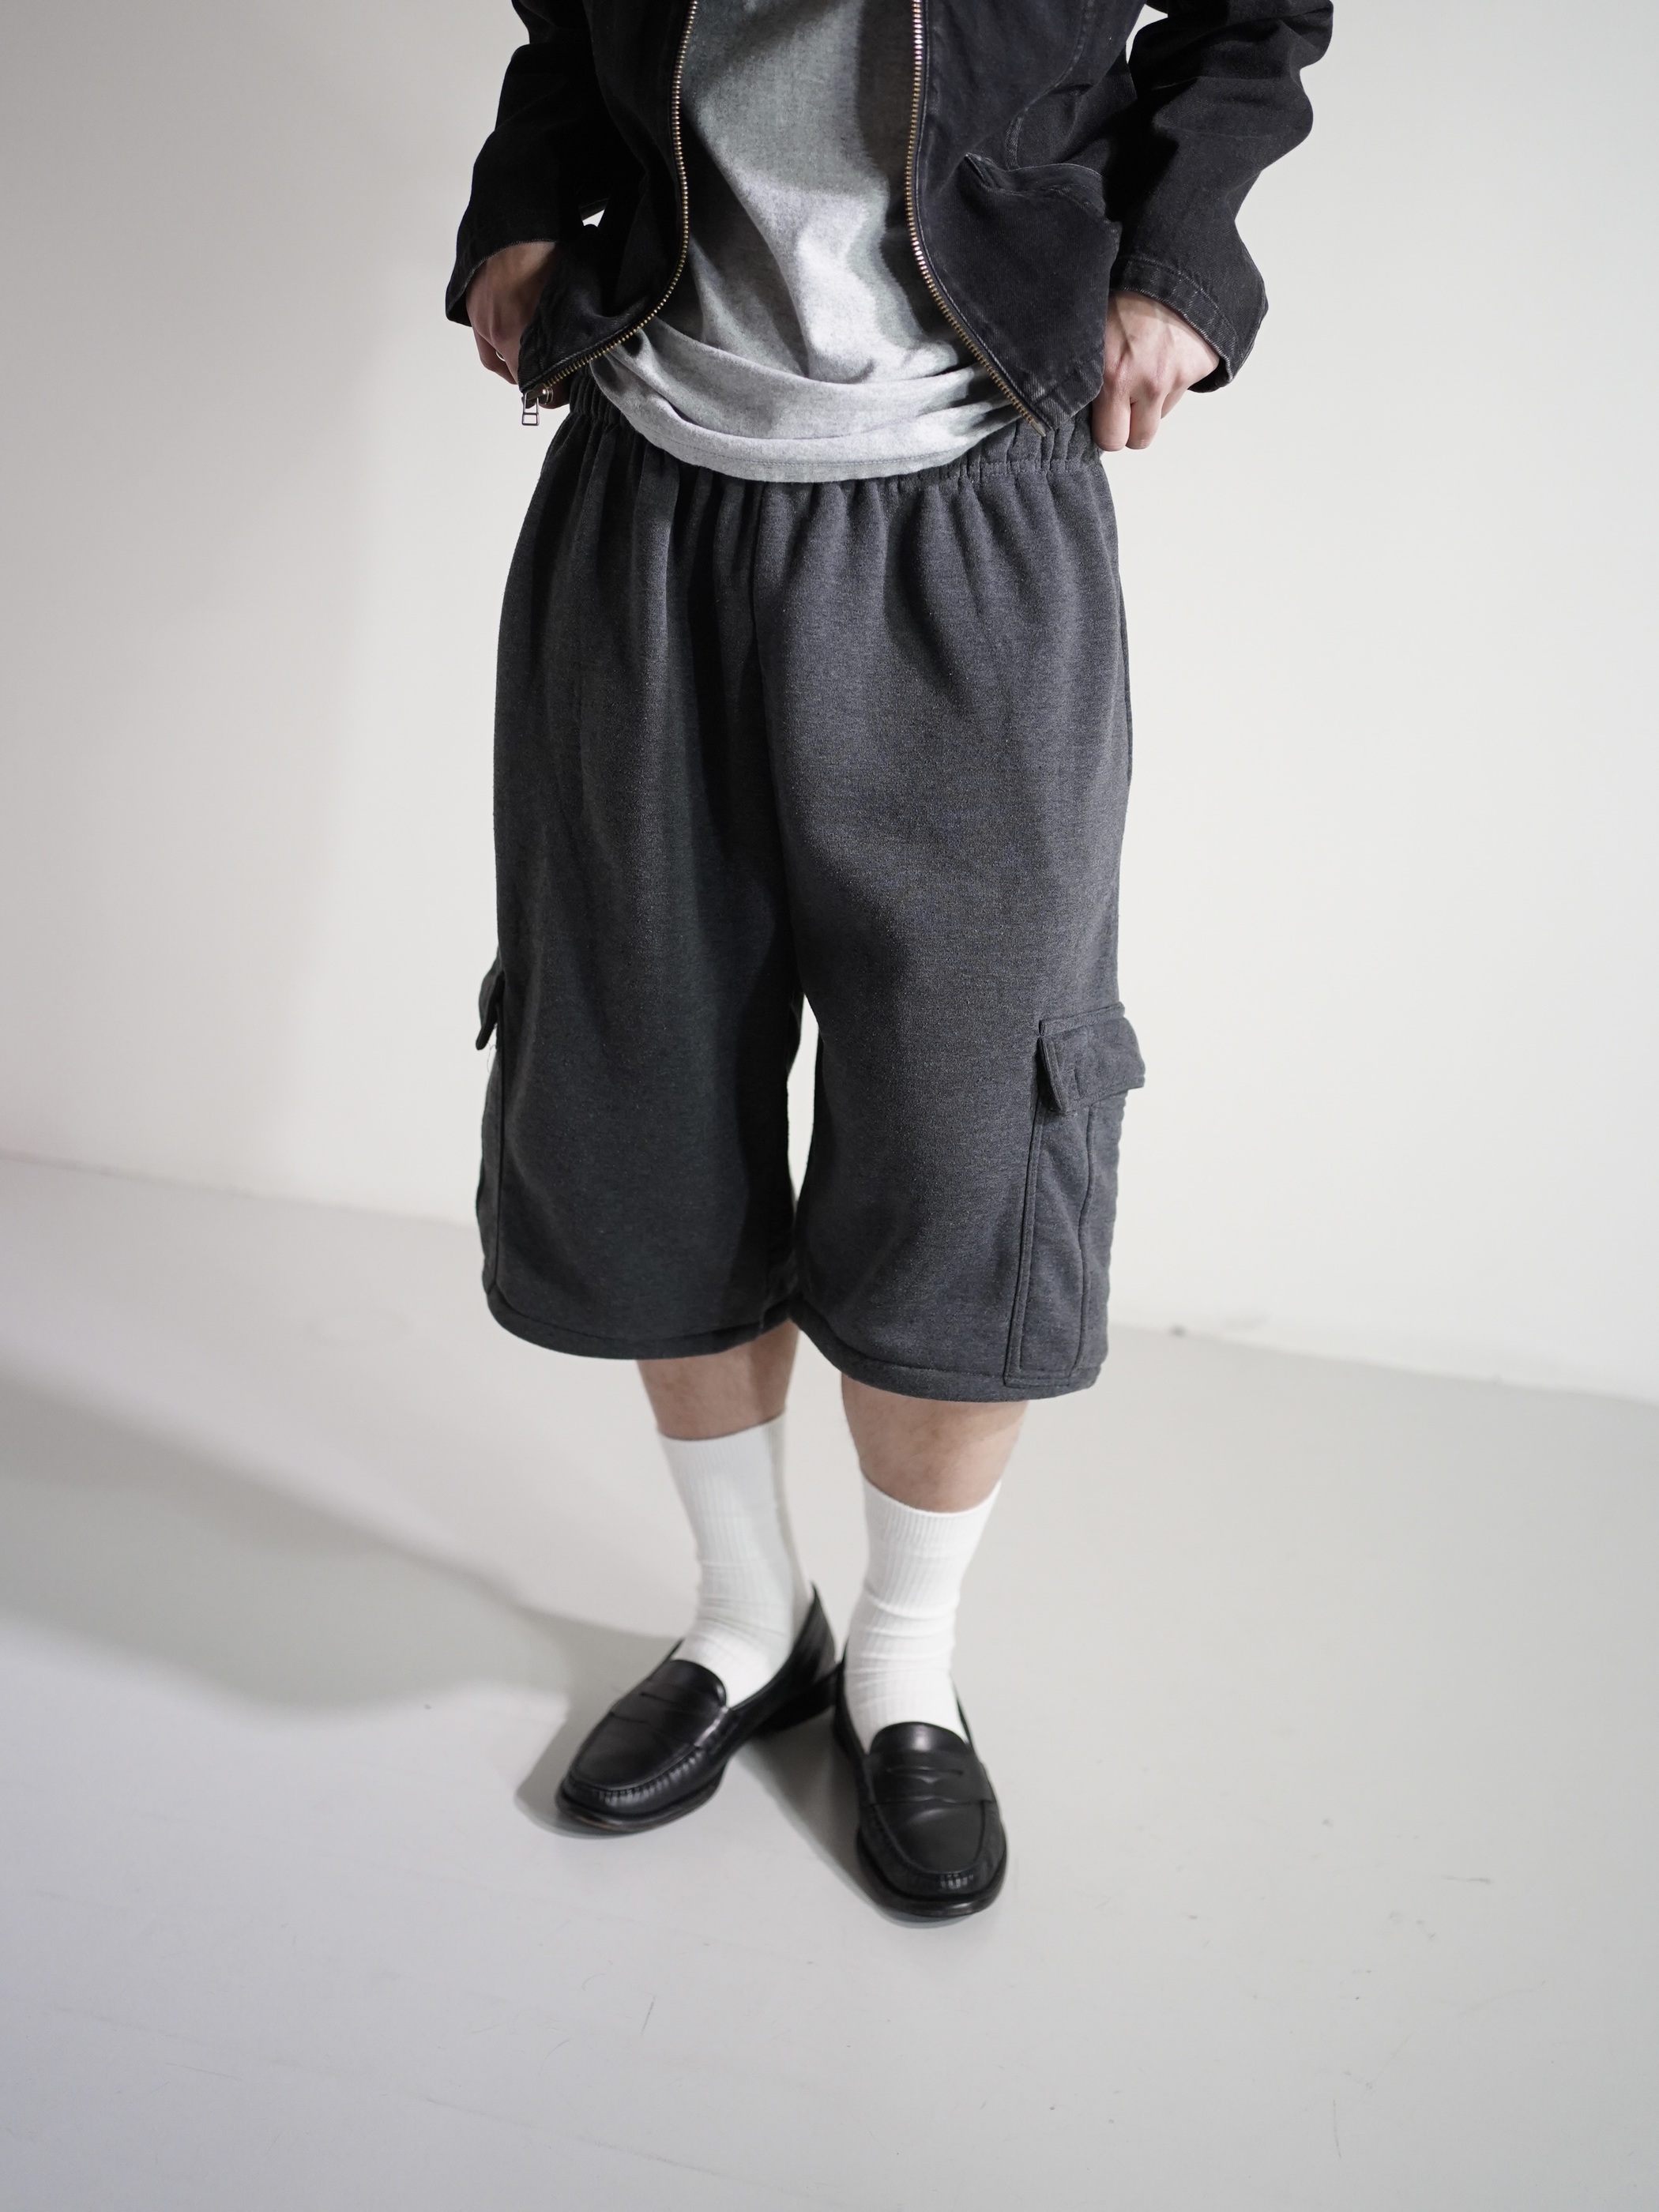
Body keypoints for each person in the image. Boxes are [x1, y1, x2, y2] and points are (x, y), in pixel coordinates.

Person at [449, 0, 1330, 1920]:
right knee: (640, 1084)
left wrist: (1179, 260)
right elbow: (565, 25)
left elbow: (1260, 21)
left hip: (971, 490)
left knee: (967, 1127)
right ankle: (748, 1619)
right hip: (647, 489)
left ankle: (906, 1665)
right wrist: (522, 208)